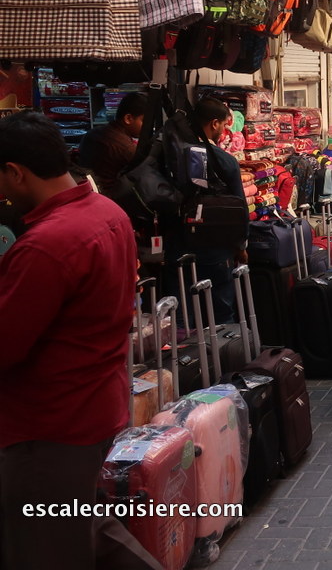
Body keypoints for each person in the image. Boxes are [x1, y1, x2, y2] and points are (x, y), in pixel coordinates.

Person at [0, 111, 161, 570]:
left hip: (49, 422)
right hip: (93, 404)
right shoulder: (106, 212)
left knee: (47, 545)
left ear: (16, 172)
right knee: (83, 523)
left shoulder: (47, 244)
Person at [174, 97, 245, 326]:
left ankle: (191, 360)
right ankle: (225, 358)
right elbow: (240, 208)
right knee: (222, 312)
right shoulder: (225, 161)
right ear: (214, 123)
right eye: (224, 125)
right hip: (217, 247)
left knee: (186, 315)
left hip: (179, 245)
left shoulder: (175, 155)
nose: (224, 130)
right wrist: (241, 246)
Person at [77, 91, 147, 196]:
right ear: (128, 118)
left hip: (89, 193)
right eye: (144, 121)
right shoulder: (125, 147)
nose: (148, 126)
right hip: (108, 199)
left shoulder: (95, 132)